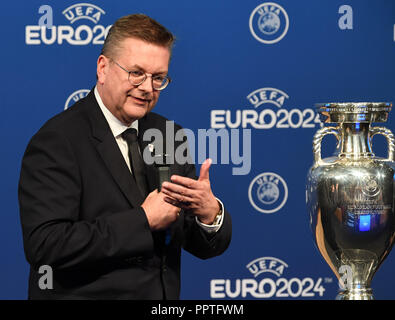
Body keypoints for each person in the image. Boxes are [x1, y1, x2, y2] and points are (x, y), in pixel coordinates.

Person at [18, 14, 232, 300]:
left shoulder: (168, 134)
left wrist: (209, 214)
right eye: (136, 73)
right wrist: (143, 220)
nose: (147, 87)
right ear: (103, 68)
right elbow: (45, 246)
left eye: (158, 78)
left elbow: (197, 242)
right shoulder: (57, 140)